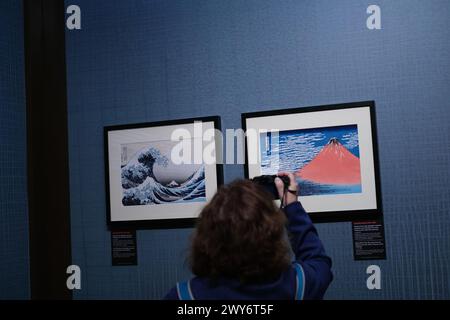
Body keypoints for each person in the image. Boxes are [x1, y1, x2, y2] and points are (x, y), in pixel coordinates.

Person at [163, 172, 333, 300]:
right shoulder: (299, 286)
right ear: (271, 234)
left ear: (207, 237)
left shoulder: (185, 296)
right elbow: (318, 260)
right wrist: (292, 206)